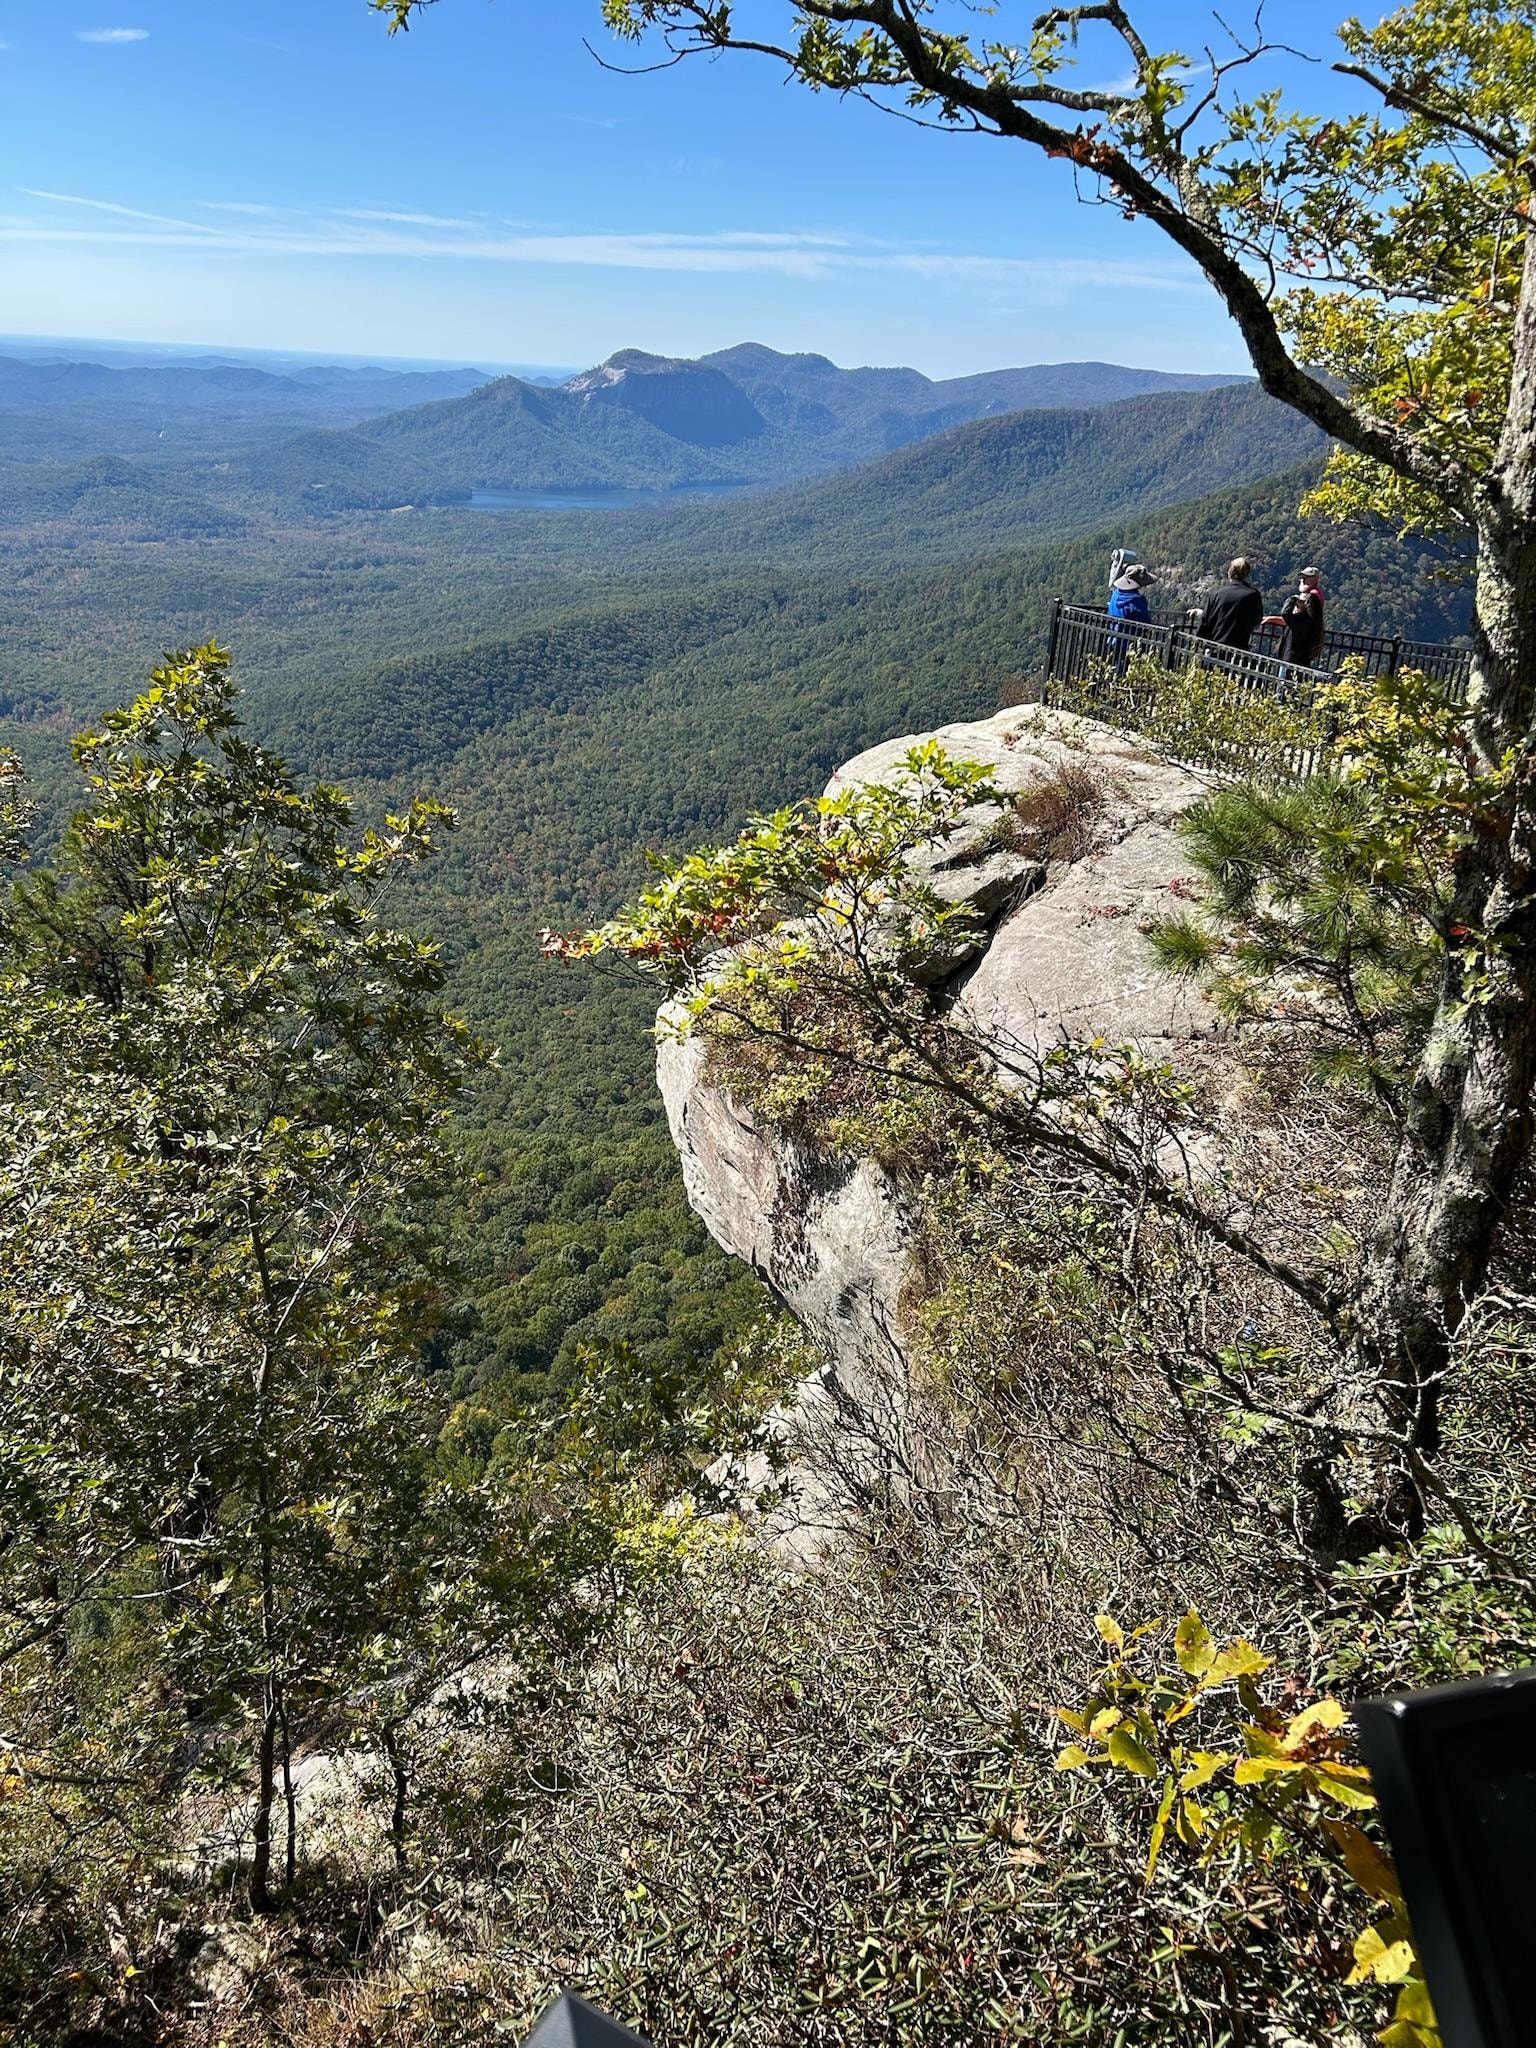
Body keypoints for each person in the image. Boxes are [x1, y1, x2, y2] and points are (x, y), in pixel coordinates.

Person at [1263, 566, 1326, 669]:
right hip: (1293, 649)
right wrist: (1272, 619)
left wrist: (1292, 600)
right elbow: (1291, 620)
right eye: (1302, 577)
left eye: (1307, 577)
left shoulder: (1313, 596)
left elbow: (1288, 616)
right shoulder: (1305, 619)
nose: (1303, 580)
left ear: (1315, 579)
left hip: (1294, 651)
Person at [1196, 556, 1265, 650]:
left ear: (1230, 572)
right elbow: (1256, 620)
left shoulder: (1216, 594)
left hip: (1214, 648)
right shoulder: (1253, 595)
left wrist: (1201, 645)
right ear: (1247, 573)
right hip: (1238, 651)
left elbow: (1204, 622)